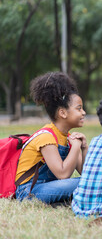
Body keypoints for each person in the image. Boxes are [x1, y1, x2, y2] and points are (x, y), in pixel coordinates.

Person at [15, 72, 87, 204]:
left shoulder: (68, 138)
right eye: (79, 108)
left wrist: (83, 147)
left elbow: (85, 172)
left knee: (92, 180)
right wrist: (76, 146)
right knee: (88, 183)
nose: (83, 113)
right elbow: (62, 174)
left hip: (49, 187)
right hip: (29, 191)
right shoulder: (46, 137)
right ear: (63, 113)